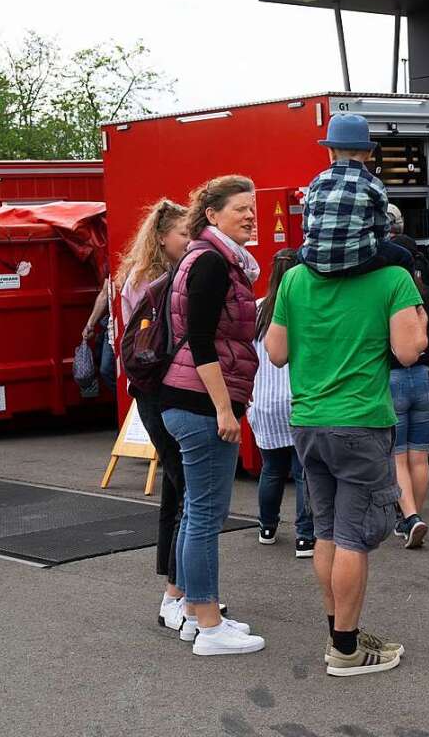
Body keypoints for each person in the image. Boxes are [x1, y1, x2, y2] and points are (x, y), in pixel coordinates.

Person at [265, 236, 427, 677]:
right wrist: (420, 317)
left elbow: (276, 353)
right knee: (353, 538)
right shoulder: (393, 278)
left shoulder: (296, 277)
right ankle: (347, 652)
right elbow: (408, 351)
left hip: (308, 422)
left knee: (327, 532)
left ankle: (341, 633)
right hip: (360, 422)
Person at [160, 175, 264, 656]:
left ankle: (196, 614)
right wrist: (225, 408)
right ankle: (207, 625)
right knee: (205, 514)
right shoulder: (213, 264)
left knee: (195, 512)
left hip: (189, 402)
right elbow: (201, 340)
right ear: (213, 214)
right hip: (202, 405)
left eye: (253, 207)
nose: (250, 215)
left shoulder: (205, 259)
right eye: (240, 208)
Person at [114, 198, 196, 631]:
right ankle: (179, 594)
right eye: (184, 233)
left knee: (175, 490)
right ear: (163, 237)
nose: (190, 239)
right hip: (161, 390)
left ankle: (175, 588)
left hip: (146, 390)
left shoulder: (137, 277)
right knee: (188, 493)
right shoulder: (158, 281)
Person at [247, 248, 316, 558]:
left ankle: (267, 527)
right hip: (298, 399)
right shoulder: (305, 308)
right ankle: (304, 536)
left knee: (271, 470)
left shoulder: (256, 310)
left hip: (263, 402)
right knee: (304, 472)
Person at [388, 234, 429, 549]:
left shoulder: (387, 294)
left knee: (398, 457)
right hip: (427, 378)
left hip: (393, 379)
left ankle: (410, 517)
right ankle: (412, 516)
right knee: (420, 456)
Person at [299, 113, 413, 277]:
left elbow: (306, 227)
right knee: (405, 256)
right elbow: (382, 231)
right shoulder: (373, 184)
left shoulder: (316, 182)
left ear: (330, 152)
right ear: (368, 153)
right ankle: (410, 300)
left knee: (297, 254)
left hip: (317, 261)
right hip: (359, 261)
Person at [81, 278, 116, 390]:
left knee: (106, 369)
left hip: (118, 323)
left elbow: (104, 294)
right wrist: (89, 325)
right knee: (103, 365)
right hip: (111, 322)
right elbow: (104, 294)